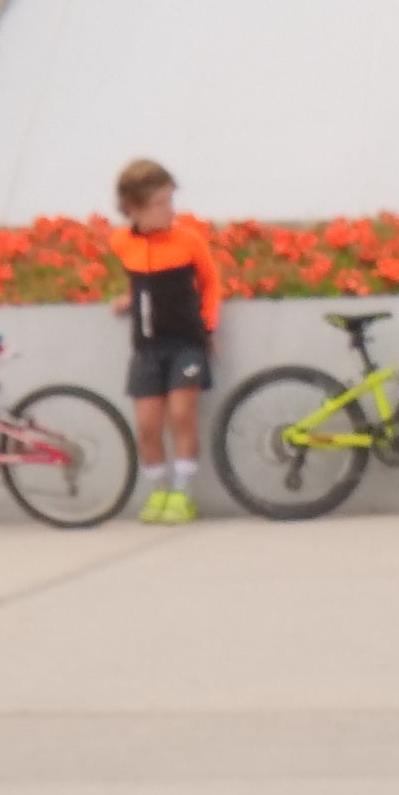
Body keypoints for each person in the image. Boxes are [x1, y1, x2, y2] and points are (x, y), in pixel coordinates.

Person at [113, 155, 224, 521]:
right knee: (147, 424)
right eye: (160, 203)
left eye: (170, 200)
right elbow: (143, 286)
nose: (169, 210)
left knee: (181, 415)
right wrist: (129, 301)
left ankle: (182, 493)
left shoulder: (188, 240)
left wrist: (208, 325)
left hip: (185, 342)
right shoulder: (123, 243)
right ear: (134, 208)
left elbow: (210, 284)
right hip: (146, 346)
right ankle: (159, 492)